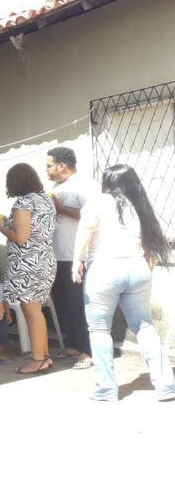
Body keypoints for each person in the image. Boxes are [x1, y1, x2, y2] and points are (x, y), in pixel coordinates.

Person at [73, 164, 175, 401]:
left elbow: (86, 229)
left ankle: (106, 389)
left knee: (99, 329)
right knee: (144, 325)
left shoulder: (98, 202)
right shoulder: (139, 204)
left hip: (103, 269)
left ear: (107, 182)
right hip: (137, 268)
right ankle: (166, 386)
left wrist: (76, 260)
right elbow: (149, 245)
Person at [0, 163, 57, 375]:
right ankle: (44, 356)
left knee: (31, 312)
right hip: (44, 260)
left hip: (28, 264)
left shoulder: (24, 202)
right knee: (36, 311)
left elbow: (20, 237)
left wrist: (0, 227)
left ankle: (37, 359)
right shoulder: (46, 200)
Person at [46, 146, 94, 368]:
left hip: (77, 257)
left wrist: (61, 208)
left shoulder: (84, 185)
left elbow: (92, 217)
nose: (46, 170)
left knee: (78, 304)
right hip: (57, 255)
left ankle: (87, 350)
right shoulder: (56, 187)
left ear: (62, 165)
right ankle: (73, 343)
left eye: (49, 166)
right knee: (63, 303)